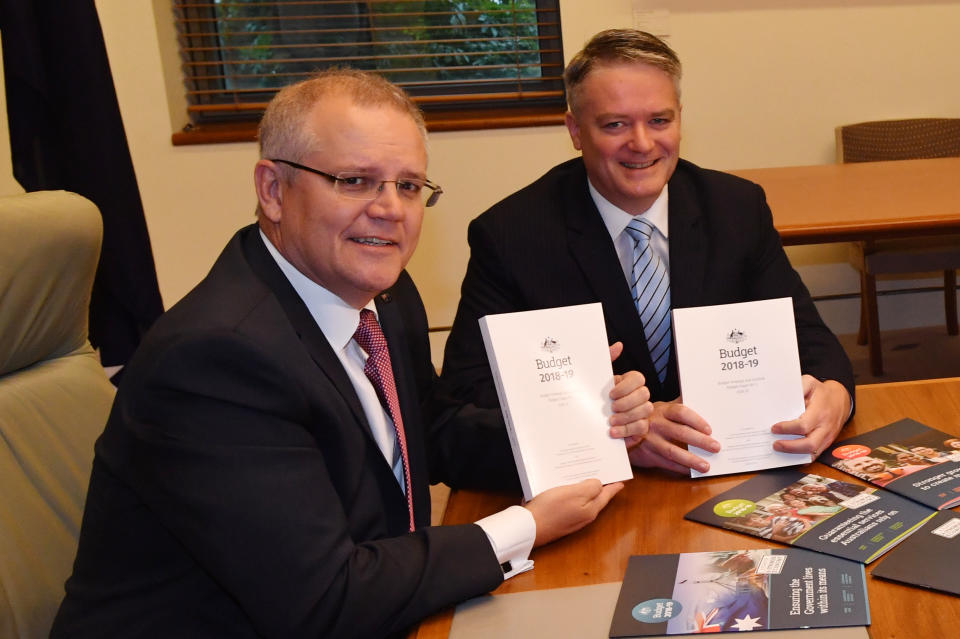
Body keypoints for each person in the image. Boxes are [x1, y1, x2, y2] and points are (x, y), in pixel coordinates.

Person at [50, 70, 653, 638]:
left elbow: (433, 433)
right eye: (354, 180)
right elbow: (323, 600)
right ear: (272, 190)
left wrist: (580, 429)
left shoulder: (384, 296)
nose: (390, 208)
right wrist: (524, 526)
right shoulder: (215, 359)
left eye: (409, 186)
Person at [438, 28, 854, 475]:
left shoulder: (736, 208)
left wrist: (837, 394)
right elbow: (462, 409)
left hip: (729, 467)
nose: (641, 143)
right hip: (603, 492)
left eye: (659, 120)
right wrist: (613, 433)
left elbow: (809, 340)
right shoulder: (510, 236)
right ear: (575, 130)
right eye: (615, 124)